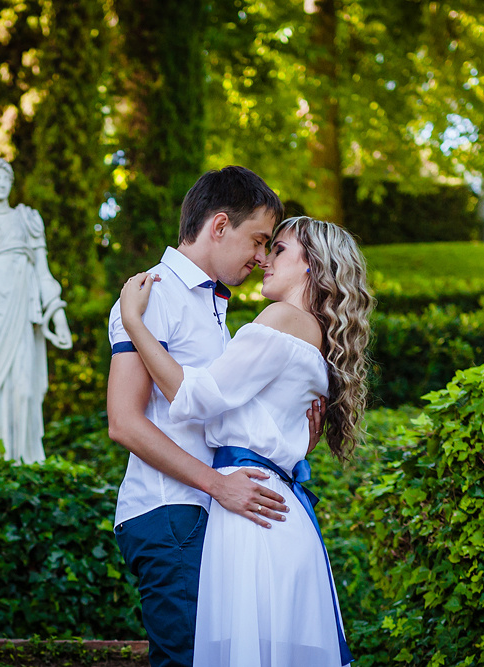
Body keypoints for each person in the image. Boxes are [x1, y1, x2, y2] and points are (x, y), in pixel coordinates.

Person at [118, 215, 373, 667]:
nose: (264, 259)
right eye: (263, 245)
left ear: (311, 266)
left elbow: (195, 396)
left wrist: (133, 320)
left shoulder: (282, 319)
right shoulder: (311, 332)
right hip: (276, 505)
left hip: (251, 510)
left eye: (277, 250)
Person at [0, 157, 72, 465]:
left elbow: (44, 272)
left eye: (7, 177)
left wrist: (57, 314)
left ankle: (23, 466)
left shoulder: (27, 219)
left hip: (19, 310)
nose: (3, 183)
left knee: (24, 389)